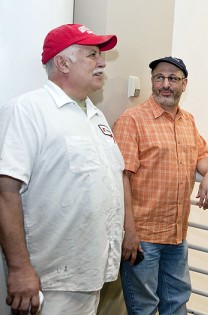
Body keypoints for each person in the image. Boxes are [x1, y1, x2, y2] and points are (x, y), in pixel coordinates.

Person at [0, 24, 124, 314]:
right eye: (92, 55)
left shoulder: (96, 116)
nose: (102, 62)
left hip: (92, 274)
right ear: (63, 62)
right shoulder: (27, 110)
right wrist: (19, 269)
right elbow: (6, 191)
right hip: (50, 281)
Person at [113, 56, 208, 315]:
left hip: (176, 235)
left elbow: (202, 155)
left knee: (177, 304)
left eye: (173, 79)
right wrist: (129, 232)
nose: (165, 84)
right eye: (159, 78)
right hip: (143, 238)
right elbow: (121, 178)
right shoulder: (132, 120)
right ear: (152, 82)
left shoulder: (188, 121)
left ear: (184, 84)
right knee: (144, 309)